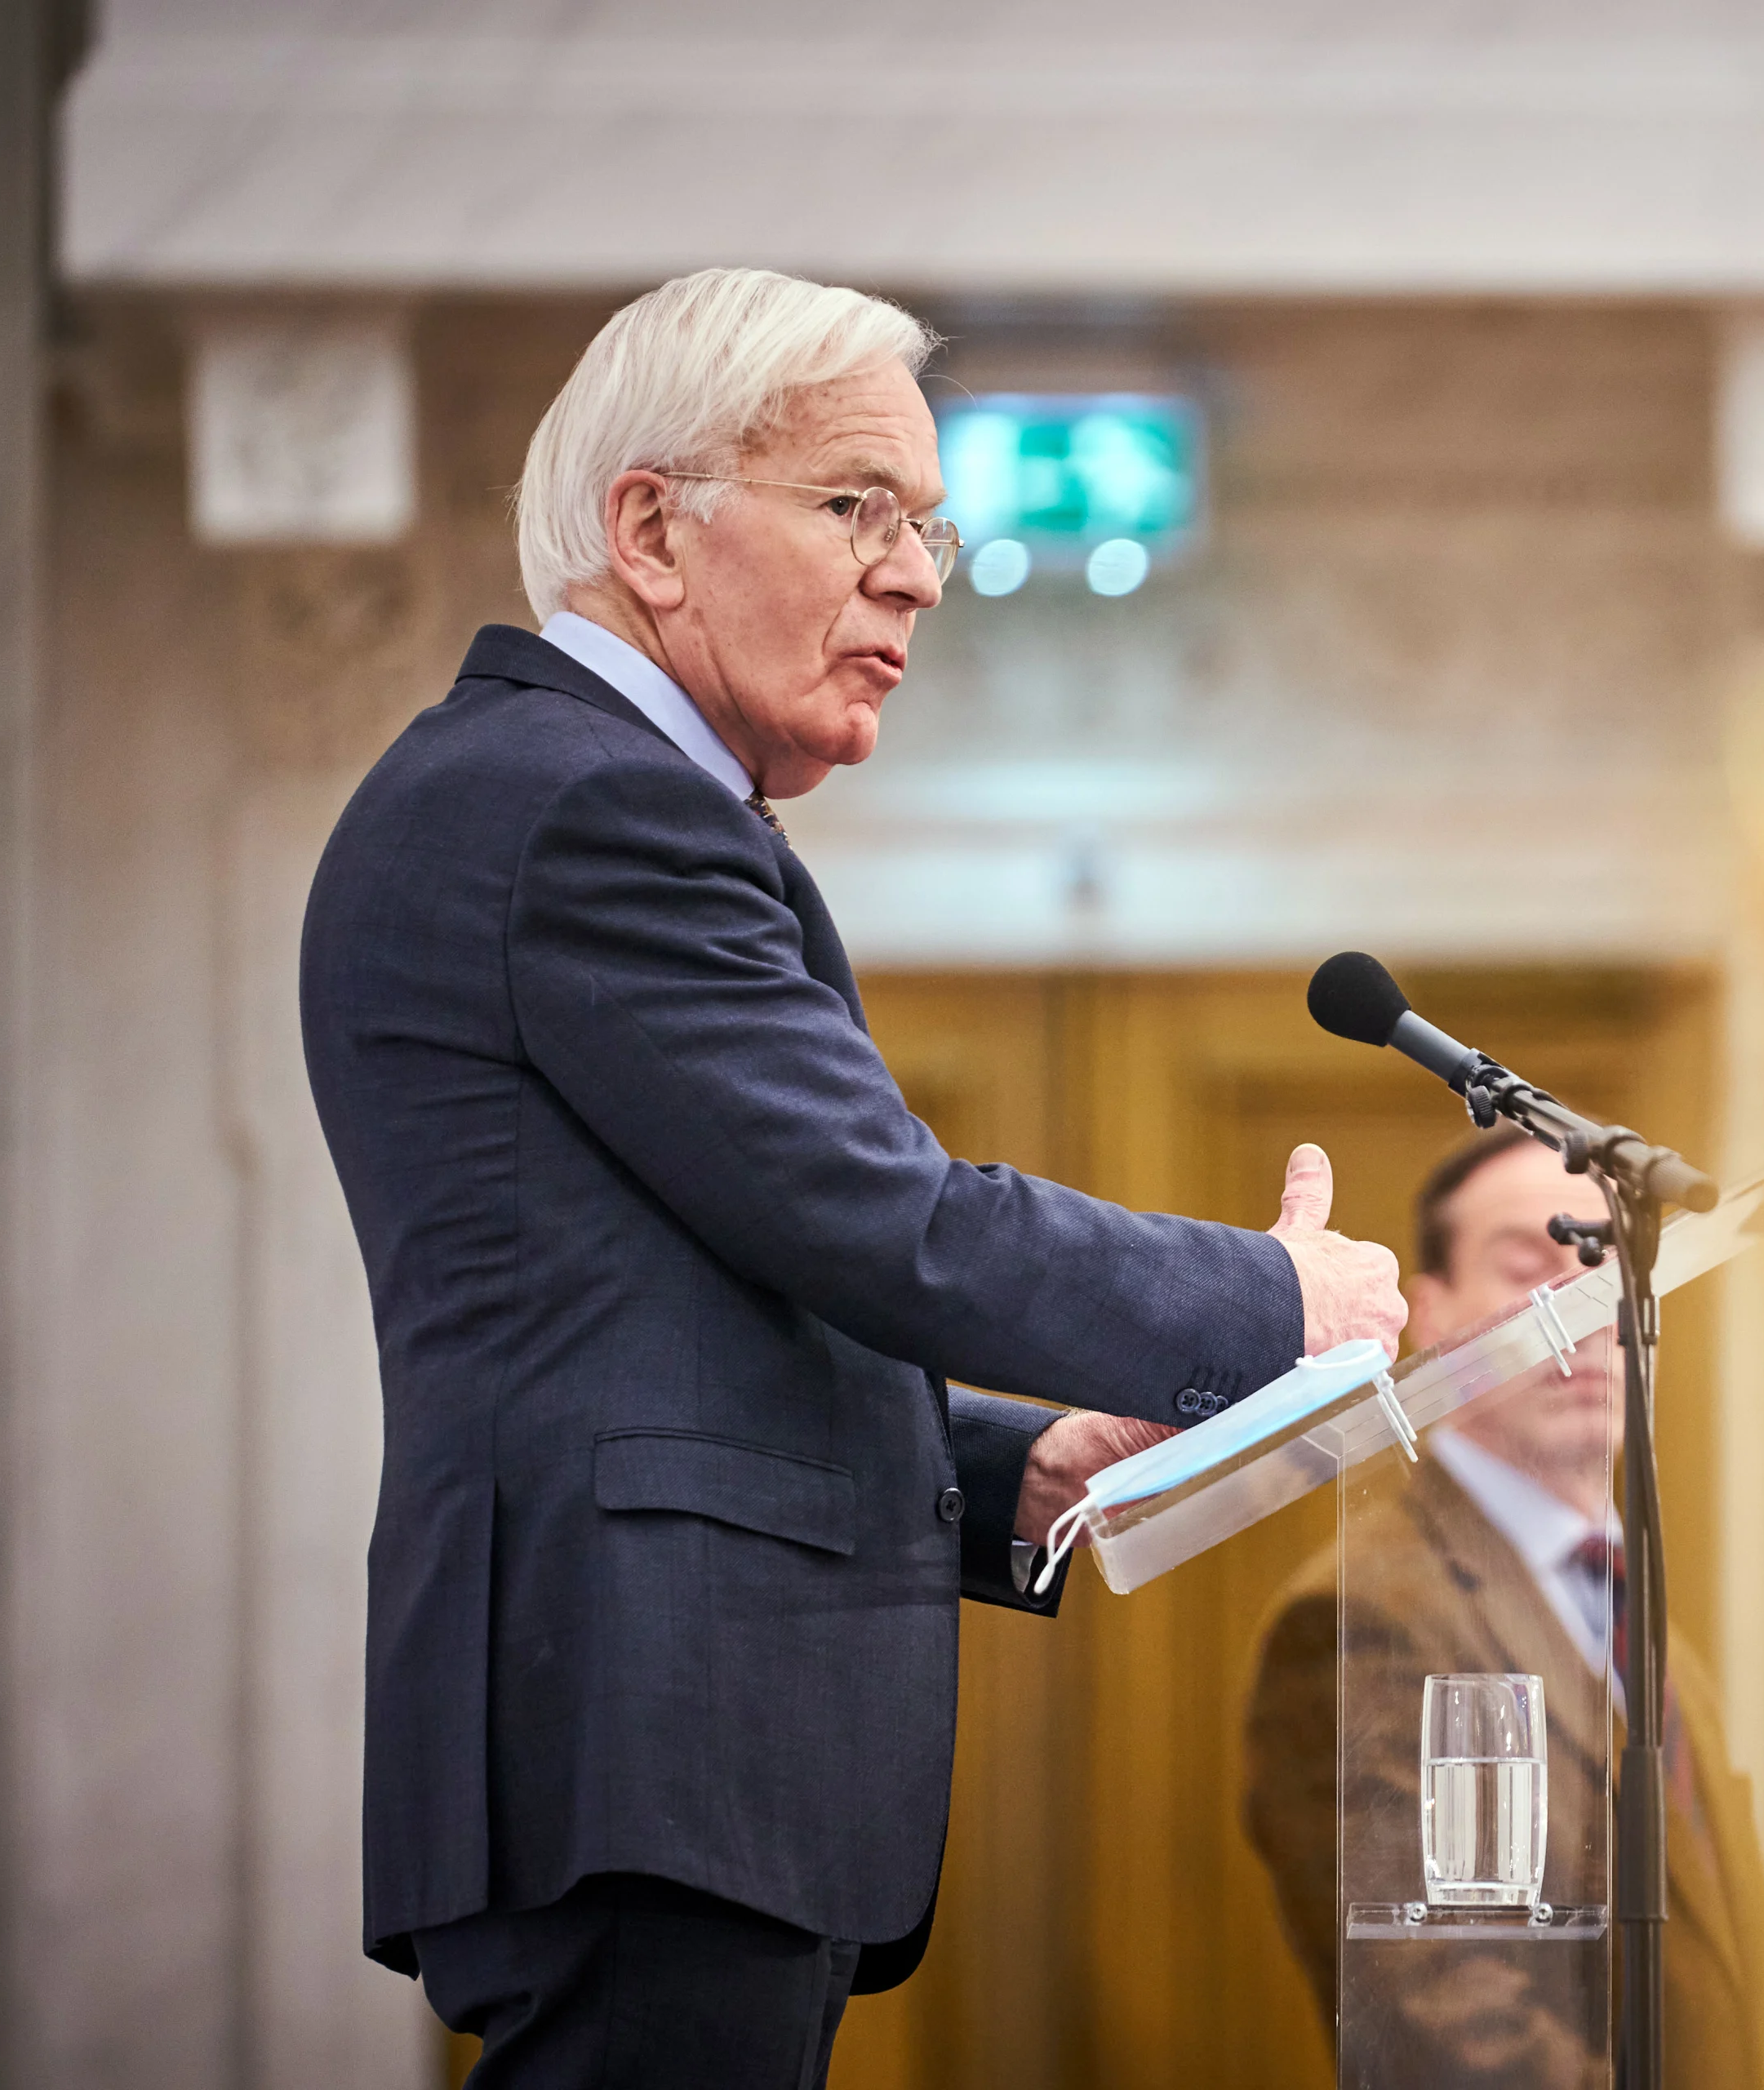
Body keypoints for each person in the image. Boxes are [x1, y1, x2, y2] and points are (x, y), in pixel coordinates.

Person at [300, 268, 1406, 2088]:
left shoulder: (558, 792)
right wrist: (1272, 1303)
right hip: (651, 1749)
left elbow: (684, 1300)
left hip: (661, 1752)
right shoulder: (586, 802)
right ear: (651, 528)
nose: (916, 575)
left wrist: (1012, 1460)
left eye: (935, 529)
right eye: (856, 508)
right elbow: (886, 1216)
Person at [1241, 1127, 1764, 2090]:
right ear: (1428, 1313)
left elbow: (1748, 2002)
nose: (1585, 1310)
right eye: (1529, 1264)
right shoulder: (1366, 1618)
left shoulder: (1641, 1608)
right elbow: (1451, 2039)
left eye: (1607, 1266)